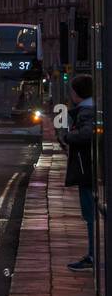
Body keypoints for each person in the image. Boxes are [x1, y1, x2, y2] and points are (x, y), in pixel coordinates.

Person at [58, 74, 95, 270]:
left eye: (72, 90)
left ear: (77, 93)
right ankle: (92, 254)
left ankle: (92, 256)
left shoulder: (87, 111)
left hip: (86, 170)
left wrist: (67, 136)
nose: (70, 94)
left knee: (90, 216)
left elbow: (86, 134)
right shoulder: (85, 109)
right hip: (87, 169)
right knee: (90, 215)